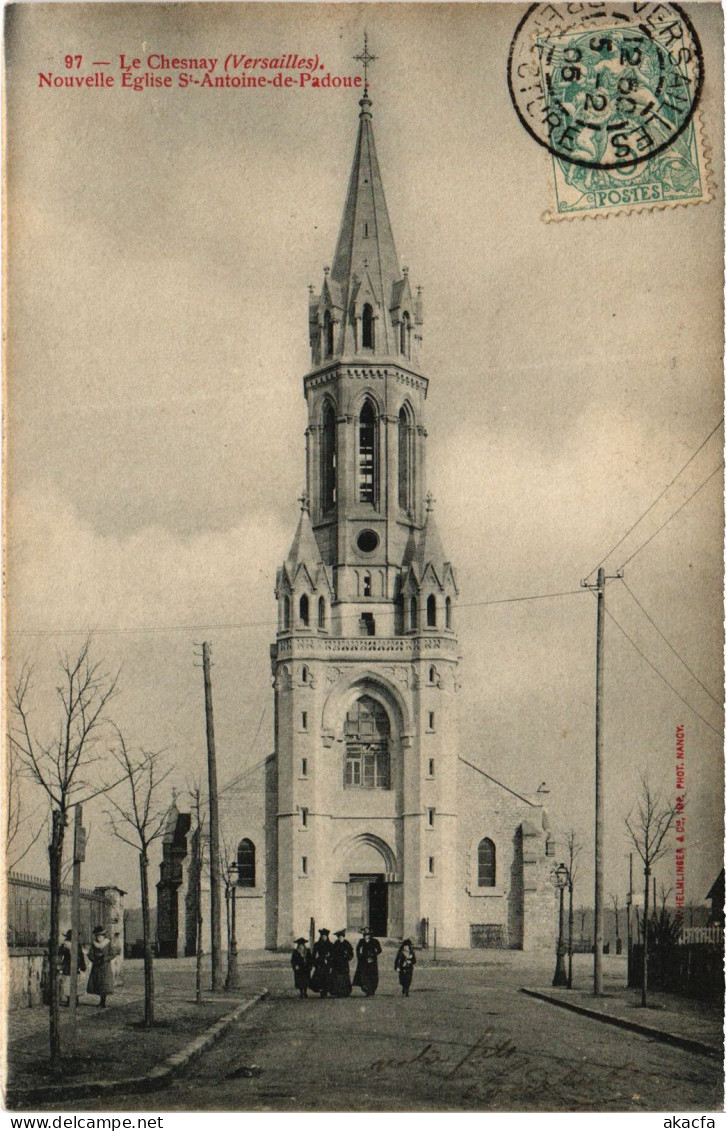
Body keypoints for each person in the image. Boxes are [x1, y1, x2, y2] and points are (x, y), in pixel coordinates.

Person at [86, 925, 115, 1007]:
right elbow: (90, 954)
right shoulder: (94, 944)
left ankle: (103, 1002)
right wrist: (94, 959)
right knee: (98, 984)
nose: (99, 938)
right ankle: (100, 1001)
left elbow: (112, 954)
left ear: (103, 936)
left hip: (105, 967)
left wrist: (105, 958)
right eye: (97, 936)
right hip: (97, 966)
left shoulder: (108, 943)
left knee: (104, 984)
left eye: (100, 936)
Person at [58, 929, 86, 1006]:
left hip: (72, 966)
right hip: (68, 965)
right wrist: (82, 966)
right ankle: (71, 1000)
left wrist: (82, 965)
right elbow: (60, 953)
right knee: (68, 982)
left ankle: (74, 1000)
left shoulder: (77, 945)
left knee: (73, 982)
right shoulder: (66, 945)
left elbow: (81, 955)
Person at [353, 927, 382, 997]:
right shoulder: (361, 941)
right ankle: (367, 990)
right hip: (363, 961)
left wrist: (374, 954)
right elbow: (357, 949)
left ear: (370, 935)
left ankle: (372, 990)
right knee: (364, 975)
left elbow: (379, 950)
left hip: (372, 961)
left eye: (368, 935)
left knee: (372, 976)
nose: (366, 936)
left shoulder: (375, 941)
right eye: (365, 935)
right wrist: (359, 957)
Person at [330, 929, 354, 997]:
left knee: (344, 977)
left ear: (344, 937)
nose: (341, 938)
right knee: (336, 977)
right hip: (336, 964)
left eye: (342, 937)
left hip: (344, 964)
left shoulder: (347, 944)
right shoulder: (336, 944)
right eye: (339, 937)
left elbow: (351, 954)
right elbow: (332, 953)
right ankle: (337, 992)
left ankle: (345, 992)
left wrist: (348, 957)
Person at [310, 928, 333, 997]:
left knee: (327, 977)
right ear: (321, 937)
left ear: (327, 937)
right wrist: (314, 962)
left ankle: (325, 991)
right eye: (323, 936)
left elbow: (333, 954)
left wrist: (329, 959)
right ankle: (320, 989)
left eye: (325, 936)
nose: (324, 938)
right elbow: (314, 954)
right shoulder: (317, 944)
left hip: (327, 963)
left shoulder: (330, 944)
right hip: (320, 962)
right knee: (319, 977)